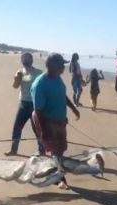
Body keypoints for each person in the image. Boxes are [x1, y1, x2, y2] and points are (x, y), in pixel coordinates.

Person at [31, 53, 80, 189]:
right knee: (55, 151)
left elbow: (62, 94)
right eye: (61, 65)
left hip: (60, 121)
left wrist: (73, 108)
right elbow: (38, 110)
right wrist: (44, 131)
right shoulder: (40, 84)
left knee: (62, 148)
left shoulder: (58, 78)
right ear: (52, 66)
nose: (64, 67)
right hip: (47, 121)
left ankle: (53, 171)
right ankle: (60, 179)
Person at [5, 52, 44, 156]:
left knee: (36, 128)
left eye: (27, 59)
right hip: (23, 103)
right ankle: (14, 150)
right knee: (17, 127)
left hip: (34, 105)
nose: (25, 61)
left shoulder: (39, 73)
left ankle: (42, 150)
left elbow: (43, 89)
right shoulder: (20, 72)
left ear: (31, 61)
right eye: (23, 59)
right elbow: (15, 86)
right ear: (21, 61)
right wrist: (17, 78)